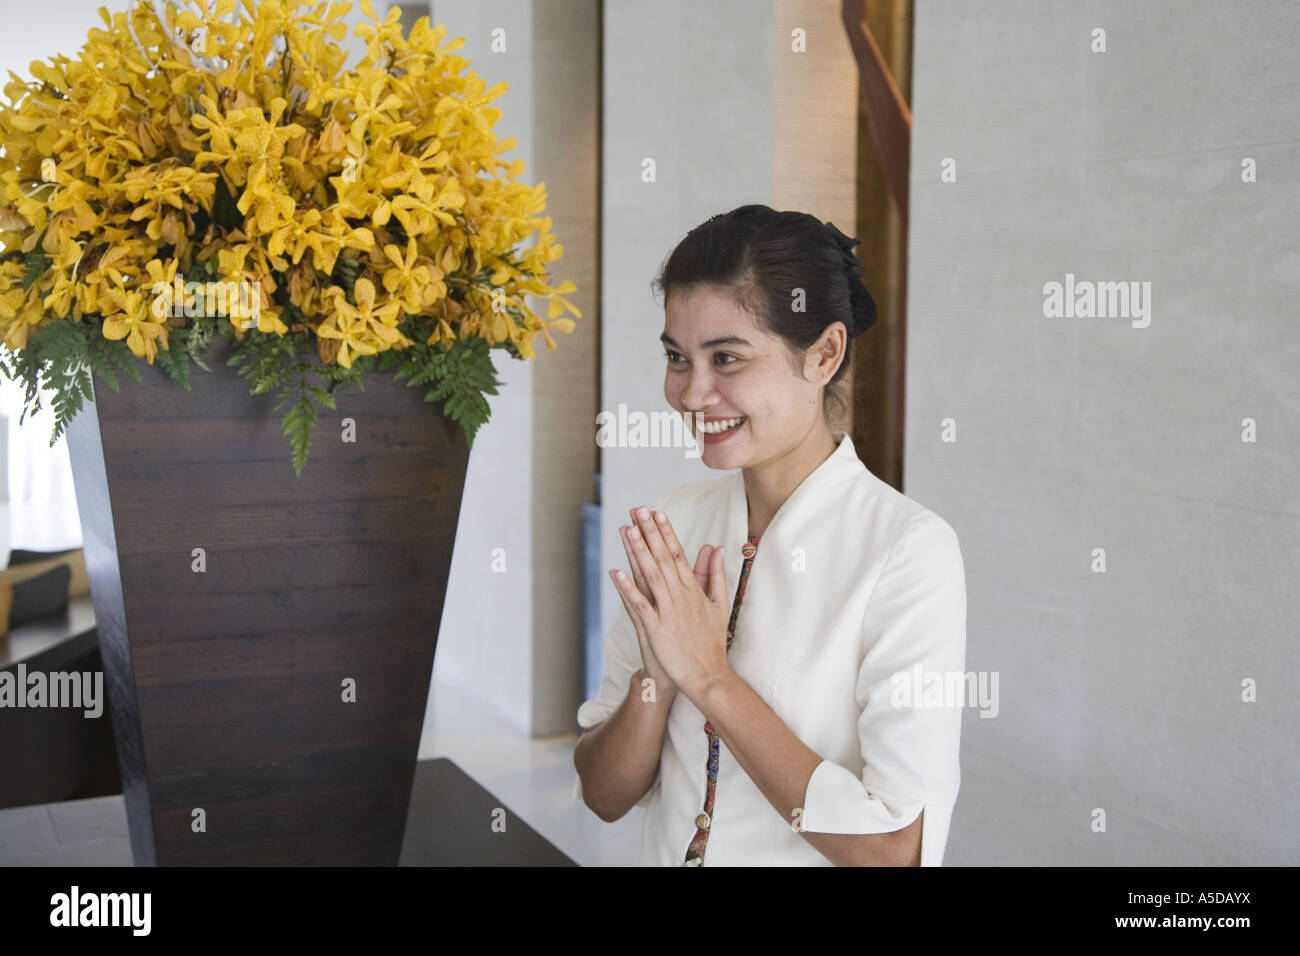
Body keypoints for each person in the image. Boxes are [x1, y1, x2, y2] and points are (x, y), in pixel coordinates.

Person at [572, 204, 966, 866]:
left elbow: (895, 851)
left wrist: (711, 678)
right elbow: (603, 795)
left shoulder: (908, 552)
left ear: (825, 354)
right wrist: (658, 679)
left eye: (726, 358)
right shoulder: (681, 518)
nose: (692, 394)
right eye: (677, 358)